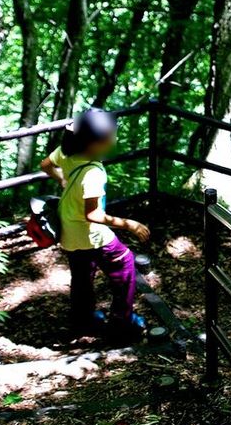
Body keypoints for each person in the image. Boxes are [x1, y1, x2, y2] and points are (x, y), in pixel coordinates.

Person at [40, 108, 150, 341]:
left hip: (69, 233)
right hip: (92, 235)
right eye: (111, 135)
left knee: (81, 277)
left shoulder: (68, 152)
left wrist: (62, 179)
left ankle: (84, 321)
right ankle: (122, 324)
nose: (115, 139)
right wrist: (129, 224)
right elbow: (93, 215)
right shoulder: (93, 173)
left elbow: (46, 164)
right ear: (94, 144)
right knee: (125, 265)